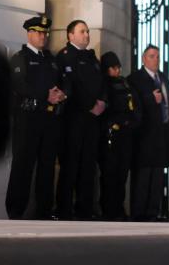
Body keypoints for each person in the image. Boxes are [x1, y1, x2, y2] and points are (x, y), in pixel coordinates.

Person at [6, 16, 66, 219]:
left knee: (47, 167)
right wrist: (45, 95)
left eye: (45, 33)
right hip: (28, 119)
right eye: (39, 32)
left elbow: (60, 83)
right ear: (29, 33)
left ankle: (44, 211)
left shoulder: (50, 59)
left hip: (49, 120)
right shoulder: (20, 58)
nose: (43, 36)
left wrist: (61, 94)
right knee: (23, 166)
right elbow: (20, 85)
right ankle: (15, 211)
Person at [55, 20, 106, 220]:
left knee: (88, 166)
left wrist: (102, 102)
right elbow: (71, 86)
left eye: (87, 31)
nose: (87, 34)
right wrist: (90, 105)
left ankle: (85, 210)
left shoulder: (92, 58)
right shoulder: (65, 57)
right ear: (70, 35)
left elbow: (102, 84)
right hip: (73, 119)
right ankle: (64, 210)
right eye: (82, 31)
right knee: (70, 165)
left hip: (92, 120)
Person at [129, 44, 169, 221]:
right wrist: (151, 99)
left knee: (158, 175)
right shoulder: (135, 78)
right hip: (144, 136)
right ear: (144, 59)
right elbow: (133, 105)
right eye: (151, 56)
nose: (155, 59)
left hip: (162, 135)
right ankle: (139, 214)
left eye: (157, 56)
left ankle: (153, 212)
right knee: (143, 176)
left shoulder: (164, 78)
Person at [98, 51, 141, 220]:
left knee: (122, 174)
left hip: (126, 135)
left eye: (118, 67)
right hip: (110, 136)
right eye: (113, 68)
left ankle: (118, 209)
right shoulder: (104, 86)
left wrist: (131, 122)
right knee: (109, 174)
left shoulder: (126, 84)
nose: (116, 71)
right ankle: (108, 209)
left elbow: (136, 108)